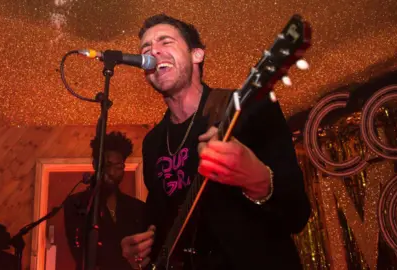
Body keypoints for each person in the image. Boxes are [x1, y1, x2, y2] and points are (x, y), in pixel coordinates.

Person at [120, 14, 311, 270]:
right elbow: (160, 215)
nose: (153, 50)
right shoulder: (153, 142)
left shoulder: (249, 109)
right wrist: (142, 249)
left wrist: (256, 178)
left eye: (165, 42)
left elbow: (297, 213)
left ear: (197, 54)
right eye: (146, 48)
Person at [64, 131, 146, 270]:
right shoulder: (76, 204)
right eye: (107, 165)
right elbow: (81, 251)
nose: (112, 172)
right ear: (95, 164)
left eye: (119, 167)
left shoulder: (137, 208)